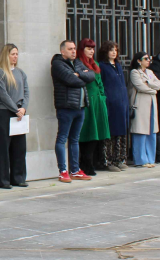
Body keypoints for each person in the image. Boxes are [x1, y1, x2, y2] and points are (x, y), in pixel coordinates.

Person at [51, 40, 95, 182]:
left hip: (80, 107)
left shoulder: (77, 63)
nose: (73, 51)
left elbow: (92, 76)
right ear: (62, 51)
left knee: (75, 139)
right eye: (70, 49)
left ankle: (75, 170)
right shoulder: (58, 64)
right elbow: (72, 80)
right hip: (66, 107)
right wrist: (81, 76)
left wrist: (79, 74)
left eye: (74, 48)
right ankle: (63, 171)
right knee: (62, 138)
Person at [0, 43, 29, 188]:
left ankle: (18, 178)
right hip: (5, 112)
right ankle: (3, 180)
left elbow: (26, 92)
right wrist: (15, 109)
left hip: (20, 113)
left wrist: (23, 108)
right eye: (12, 54)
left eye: (17, 54)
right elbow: (3, 95)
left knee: (19, 147)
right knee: (3, 148)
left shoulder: (21, 73)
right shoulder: (1, 73)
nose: (15, 57)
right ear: (6, 56)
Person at [77, 38, 109, 176]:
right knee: (87, 133)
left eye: (93, 48)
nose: (91, 51)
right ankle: (85, 163)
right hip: (87, 102)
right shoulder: (78, 63)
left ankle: (91, 163)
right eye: (88, 48)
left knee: (97, 134)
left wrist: (102, 97)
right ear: (82, 49)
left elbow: (100, 83)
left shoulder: (95, 64)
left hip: (98, 102)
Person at [97, 42, 129, 171]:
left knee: (121, 132)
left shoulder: (118, 65)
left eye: (115, 50)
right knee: (110, 132)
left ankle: (120, 159)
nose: (114, 52)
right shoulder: (102, 66)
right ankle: (108, 161)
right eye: (111, 50)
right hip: (111, 103)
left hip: (121, 103)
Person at [129, 52, 160, 167]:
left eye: (149, 58)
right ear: (139, 60)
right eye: (146, 59)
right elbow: (140, 87)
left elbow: (159, 84)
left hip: (151, 104)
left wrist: (149, 83)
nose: (148, 61)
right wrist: (153, 90)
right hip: (140, 105)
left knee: (151, 131)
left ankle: (150, 159)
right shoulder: (135, 72)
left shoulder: (150, 72)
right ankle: (141, 160)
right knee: (140, 131)